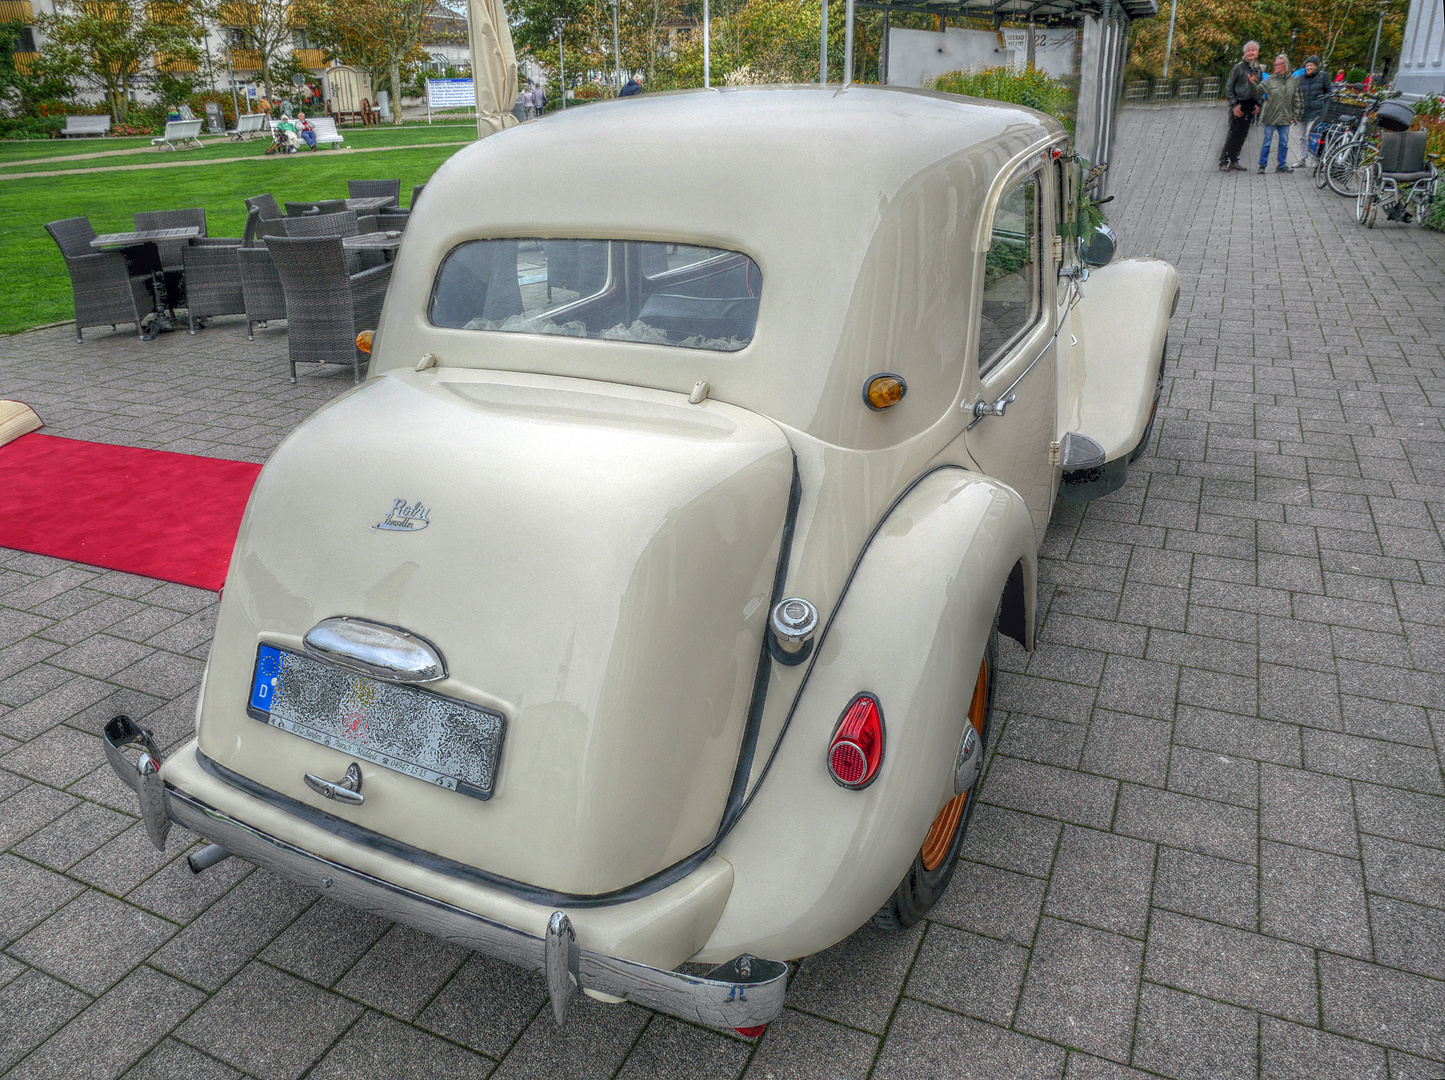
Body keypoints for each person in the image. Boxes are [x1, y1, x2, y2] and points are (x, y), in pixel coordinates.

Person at [1218, 40, 1263, 172]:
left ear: (1257, 53)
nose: (1251, 52)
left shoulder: (1258, 69)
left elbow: (1260, 88)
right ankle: (1223, 161)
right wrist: (1234, 105)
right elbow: (1229, 88)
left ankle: (1234, 160)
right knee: (1233, 134)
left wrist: (1259, 104)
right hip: (1238, 104)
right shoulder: (1238, 68)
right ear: (1244, 53)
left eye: (1253, 50)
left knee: (1243, 134)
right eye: (1248, 50)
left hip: (1250, 105)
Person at [1257, 53, 1301, 172]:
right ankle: (1262, 165)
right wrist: (1252, 83)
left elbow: (1296, 98)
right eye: (1275, 64)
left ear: (1284, 65)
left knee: (1284, 143)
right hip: (1271, 116)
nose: (1275, 67)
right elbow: (1259, 89)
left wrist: (1295, 116)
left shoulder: (1293, 80)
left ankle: (1281, 165)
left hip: (1286, 117)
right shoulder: (1270, 79)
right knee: (1267, 142)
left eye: (1277, 64)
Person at [1291, 55, 1328, 168]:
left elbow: (1328, 93)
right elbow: (1296, 94)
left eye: (1311, 65)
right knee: (1302, 136)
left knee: (1311, 135)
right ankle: (1302, 159)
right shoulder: (1300, 78)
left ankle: (1315, 159)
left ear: (1316, 66)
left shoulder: (1323, 76)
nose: (1309, 67)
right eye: (1307, 65)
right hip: (1303, 112)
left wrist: (1323, 106)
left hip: (1316, 112)